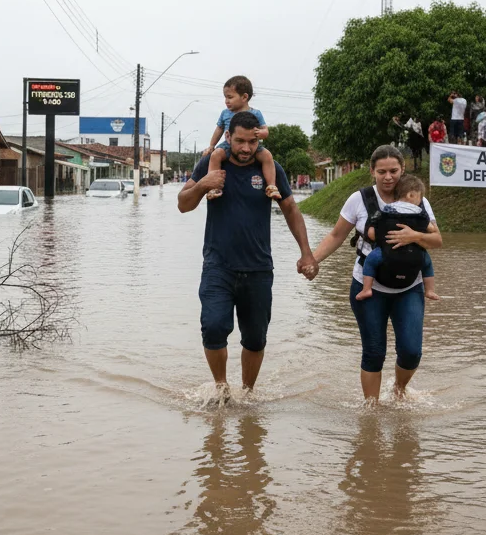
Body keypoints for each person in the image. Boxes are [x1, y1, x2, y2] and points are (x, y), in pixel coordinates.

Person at [179, 111, 317, 398]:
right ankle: (221, 389)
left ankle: (248, 393)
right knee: (214, 326)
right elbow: (183, 204)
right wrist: (205, 184)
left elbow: (290, 209)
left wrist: (307, 254)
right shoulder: (211, 162)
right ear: (228, 137)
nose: (245, 148)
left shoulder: (270, 168)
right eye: (239, 141)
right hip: (218, 265)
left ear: (259, 140)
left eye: (251, 142)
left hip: (258, 268)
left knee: (255, 338)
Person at [310, 145, 443, 402]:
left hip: (409, 287)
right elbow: (337, 235)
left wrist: (414, 236)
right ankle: (371, 411)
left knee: (411, 351)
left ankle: (399, 390)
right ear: (372, 171)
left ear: (402, 169)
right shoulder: (359, 200)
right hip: (368, 285)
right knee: (374, 351)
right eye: (381, 171)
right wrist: (312, 260)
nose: (388, 177)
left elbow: (437, 240)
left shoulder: (418, 199)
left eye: (394, 170)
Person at [354, 175, 439, 303]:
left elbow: (372, 233)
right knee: (427, 264)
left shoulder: (387, 209)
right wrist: (417, 234)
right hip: (415, 253)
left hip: (387, 251)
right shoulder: (420, 213)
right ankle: (430, 290)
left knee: (370, 261)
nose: (420, 200)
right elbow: (432, 230)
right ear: (411, 195)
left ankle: (366, 288)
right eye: (419, 197)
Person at [203, 76, 278, 201]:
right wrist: (211, 145)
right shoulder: (225, 113)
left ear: (244, 97)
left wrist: (261, 133)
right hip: (227, 145)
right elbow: (219, 130)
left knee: (267, 156)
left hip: (254, 146)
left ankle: (271, 187)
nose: (226, 101)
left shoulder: (256, 113)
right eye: (225, 97)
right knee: (215, 155)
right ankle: (213, 187)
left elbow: (265, 131)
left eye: (230, 97)